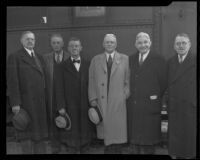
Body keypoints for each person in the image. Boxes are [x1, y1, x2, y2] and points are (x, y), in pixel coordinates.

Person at [7, 31, 48, 154]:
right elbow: (12, 82)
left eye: (32, 39)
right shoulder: (15, 57)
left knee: (39, 136)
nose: (30, 41)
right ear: (21, 41)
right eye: (27, 39)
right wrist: (15, 104)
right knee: (27, 137)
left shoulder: (40, 57)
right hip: (25, 104)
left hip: (39, 104)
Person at [88, 34, 130, 154]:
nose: (109, 44)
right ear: (103, 44)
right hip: (101, 102)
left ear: (116, 44)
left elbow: (128, 80)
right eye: (107, 42)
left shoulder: (125, 59)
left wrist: (124, 95)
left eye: (112, 42)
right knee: (106, 133)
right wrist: (92, 98)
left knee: (117, 134)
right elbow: (91, 80)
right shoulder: (95, 60)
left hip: (118, 102)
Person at [127, 32, 167, 154]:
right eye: (139, 42)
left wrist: (154, 96)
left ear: (150, 43)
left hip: (150, 105)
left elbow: (163, 82)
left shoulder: (159, 59)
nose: (142, 45)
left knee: (149, 142)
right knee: (135, 141)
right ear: (135, 44)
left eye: (145, 42)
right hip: (135, 105)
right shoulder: (131, 59)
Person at [55, 37, 95, 153]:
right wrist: (61, 106)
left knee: (85, 136)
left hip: (85, 105)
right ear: (68, 48)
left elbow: (93, 84)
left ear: (81, 48)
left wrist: (93, 101)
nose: (74, 48)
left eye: (76, 46)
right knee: (71, 139)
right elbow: (58, 88)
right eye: (72, 46)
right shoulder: (61, 66)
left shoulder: (89, 64)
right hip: (69, 106)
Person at [167, 33, 196, 159]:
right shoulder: (170, 62)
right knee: (175, 135)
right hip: (175, 106)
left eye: (184, 43)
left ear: (189, 45)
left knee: (189, 136)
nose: (181, 46)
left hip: (191, 106)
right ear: (174, 46)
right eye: (178, 43)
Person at [42, 33, 70, 153]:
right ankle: (55, 146)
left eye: (58, 42)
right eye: (54, 42)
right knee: (54, 120)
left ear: (63, 44)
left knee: (67, 119)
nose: (56, 45)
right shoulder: (45, 58)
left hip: (66, 96)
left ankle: (67, 144)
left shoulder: (70, 56)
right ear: (51, 44)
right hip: (51, 95)